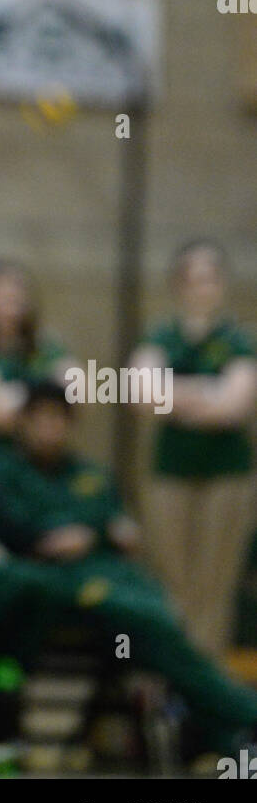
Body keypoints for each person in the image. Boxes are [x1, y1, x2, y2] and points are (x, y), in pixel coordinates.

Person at [0, 381, 257, 761]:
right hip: (44, 585)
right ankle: (241, 717)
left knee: (151, 628)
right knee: (146, 618)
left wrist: (104, 534)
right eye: (40, 419)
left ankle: (225, 736)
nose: (49, 428)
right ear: (22, 423)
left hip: (106, 582)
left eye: (58, 419)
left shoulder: (90, 474)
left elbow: (118, 528)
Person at [129, 239, 257, 656]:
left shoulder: (239, 340)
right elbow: (142, 397)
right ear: (177, 284)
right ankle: (172, 682)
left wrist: (174, 396)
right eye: (191, 277)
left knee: (214, 582)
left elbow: (233, 409)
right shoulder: (161, 336)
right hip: (170, 471)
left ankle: (207, 685)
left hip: (228, 474)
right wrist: (207, 390)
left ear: (222, 285)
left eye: (210, 277)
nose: (201, 286)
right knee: (170, 578)